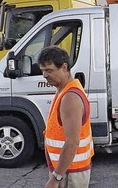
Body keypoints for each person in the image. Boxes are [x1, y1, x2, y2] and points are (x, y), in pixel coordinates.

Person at [39, 46, 93, 188]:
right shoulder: (64, 91)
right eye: (42, 71)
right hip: (68, 171)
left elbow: (72, 142)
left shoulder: (70, 97)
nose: (45, 75)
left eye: (49, 70)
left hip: (70, 174)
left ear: (64, 67)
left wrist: (56, 177)